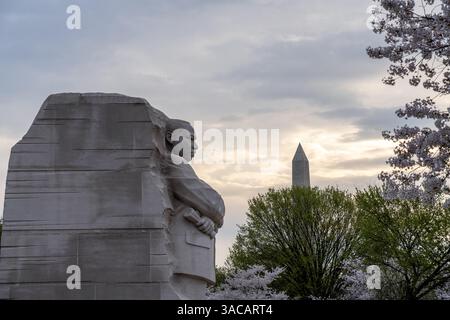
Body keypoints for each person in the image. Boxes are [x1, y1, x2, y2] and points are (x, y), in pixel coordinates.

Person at [163, 119, 225, 299]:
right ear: (170, 137)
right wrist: (213, 214)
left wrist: (210, 220)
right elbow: (214, 204)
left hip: (193, 252)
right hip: (186, 253)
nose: (194, 146)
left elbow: (208, 208)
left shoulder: (180, 167)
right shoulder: (173, 164)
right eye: (190, 139)